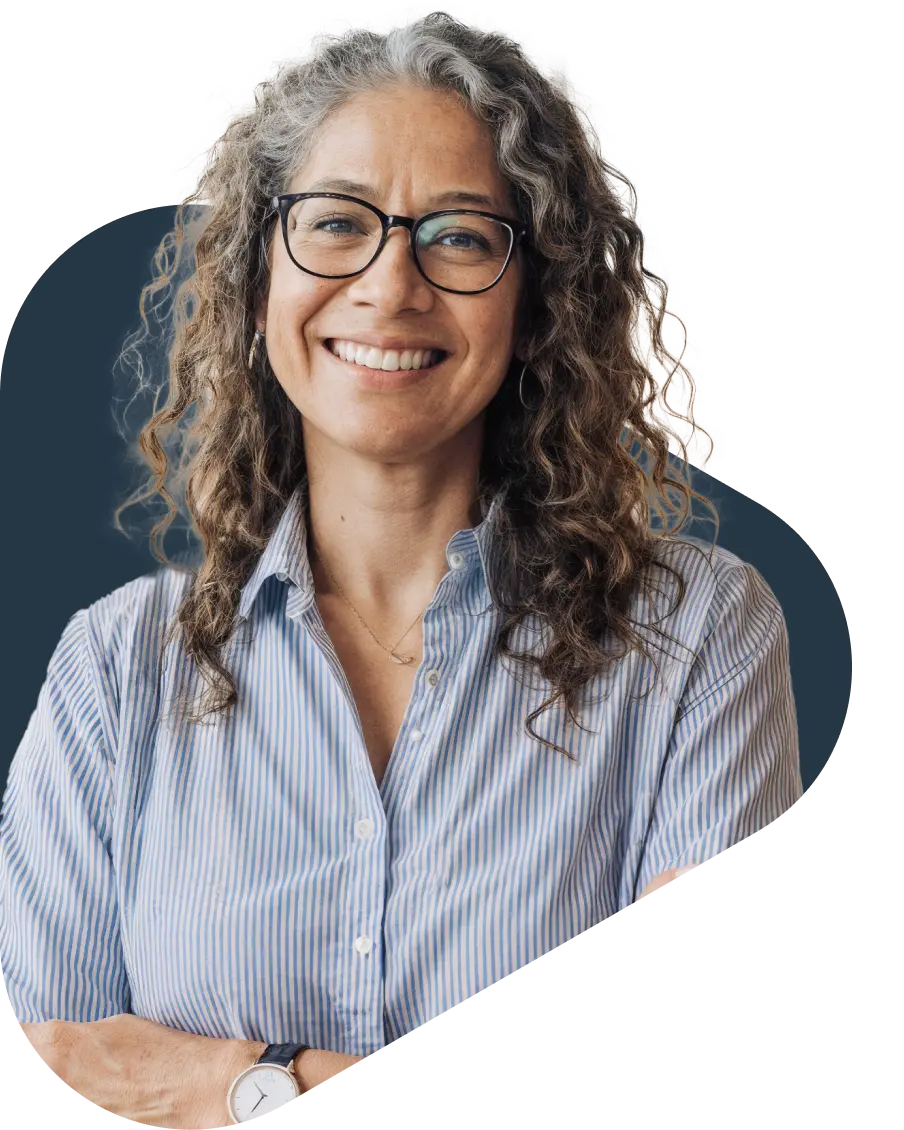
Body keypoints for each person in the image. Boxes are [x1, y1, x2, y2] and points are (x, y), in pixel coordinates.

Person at [0, 9, 804, 1128]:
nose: (390, 286)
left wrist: (241, 1084)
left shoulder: (697, 637)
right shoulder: (116, 666)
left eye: (460, 237)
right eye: (336, 223)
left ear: (537, 300)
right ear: (258, 277)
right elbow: (60, 1065)